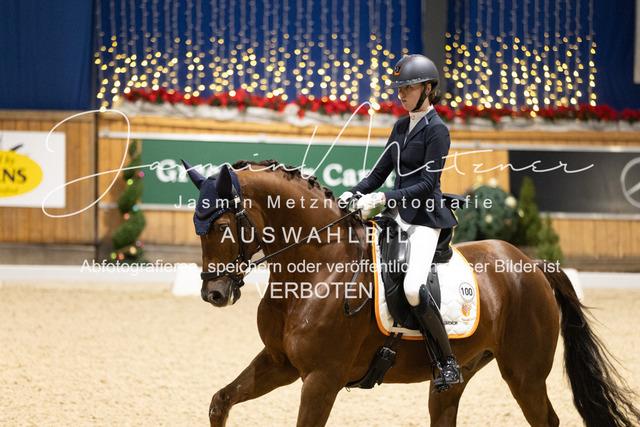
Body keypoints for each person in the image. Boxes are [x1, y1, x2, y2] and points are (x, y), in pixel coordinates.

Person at [339, 54, 462, 392]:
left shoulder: (437, 130)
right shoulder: (400, 127)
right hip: (395, 217)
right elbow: (379, 173)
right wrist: (354, 191)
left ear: (427, 89)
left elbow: (427, 184)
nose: (401, 93)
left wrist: (383, 198)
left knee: (412, 287)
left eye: (408, 87)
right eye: (399, 88)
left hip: (424, 218)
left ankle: (447, 362)